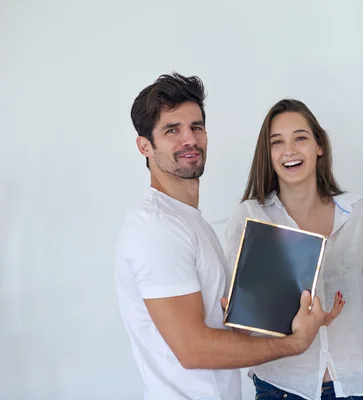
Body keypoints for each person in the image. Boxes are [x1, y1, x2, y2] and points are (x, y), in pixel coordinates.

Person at [114, 73, 335, 400]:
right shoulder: (156, 228)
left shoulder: (189, 221)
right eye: (172, 130)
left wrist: (256, 314)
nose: (189, 139)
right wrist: (294, 344)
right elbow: (193, 350)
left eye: (196, 127)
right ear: (145, 145)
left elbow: (212, 325)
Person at [224, 99, 363, 400]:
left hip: (356, 385)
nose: (290, 150)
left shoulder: (357, 212)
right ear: (268, 155)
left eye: (300, 138)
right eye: (277, 142)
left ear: (319, 146)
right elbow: (244, 327)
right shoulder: (251, 218)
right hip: (282, 388)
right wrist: (295, 321)